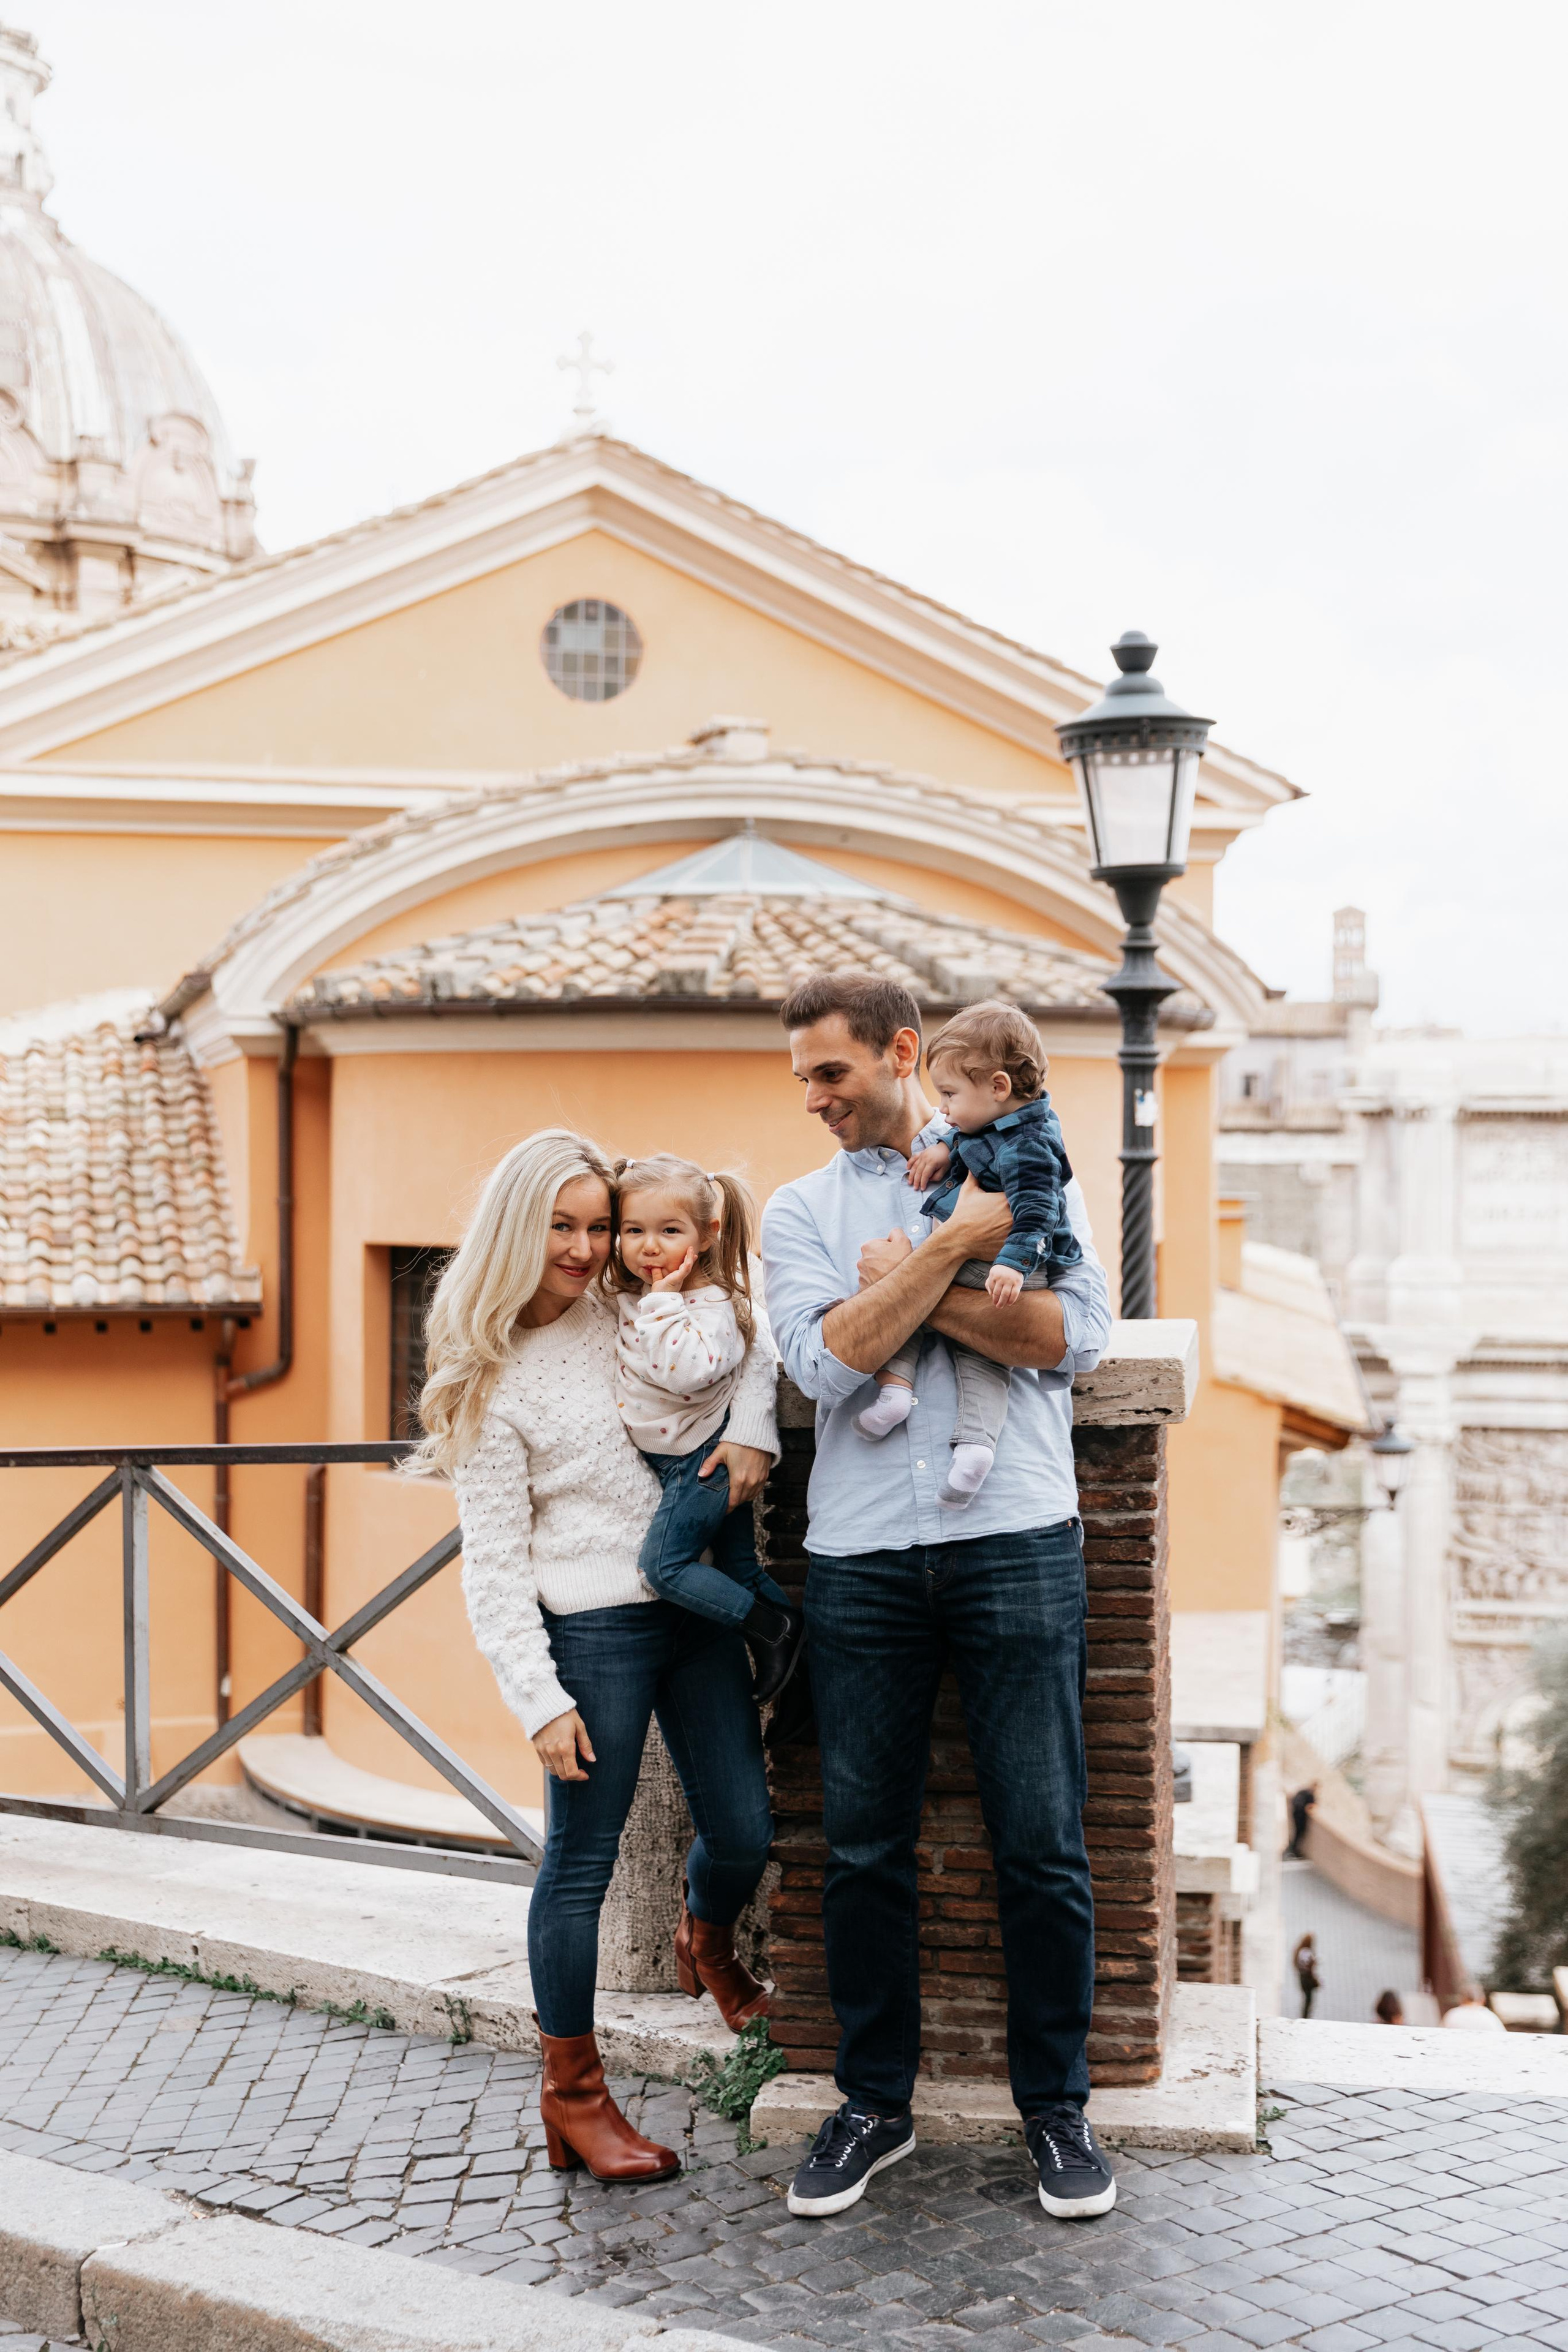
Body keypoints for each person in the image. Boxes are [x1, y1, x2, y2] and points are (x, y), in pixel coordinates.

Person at [761, 972, 1116, 2224]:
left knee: (1042, 1842)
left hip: (1015, 1532)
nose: (812, 1097)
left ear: (901, 1052)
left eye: (830, 1072)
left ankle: (1057, 2109)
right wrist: (962, 1247)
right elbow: (826, 1362)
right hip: (860, 1552)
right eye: (802, 1076)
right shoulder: (796, 1211)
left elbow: (1071, 1340)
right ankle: (873, 2103)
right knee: (862, 1847)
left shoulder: (1035, 1166)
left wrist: (918, 1274)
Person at [413, 1128, 780, 2185]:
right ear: (515, 1230)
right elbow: (494, 1564)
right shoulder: (486, 1377)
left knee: (745, 1831)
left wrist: (752, 1434)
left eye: (597, 1226)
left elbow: (748, 1338)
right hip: (594, 1636)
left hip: (692, 1612)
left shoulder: (631, 1302)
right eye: (560, 1227)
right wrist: (537, 1696)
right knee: (580, 1867)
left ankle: (705, 1941)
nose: (584, 1249)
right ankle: (574, 2097)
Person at [853, 998, 1084, 1510]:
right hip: (989, 1261)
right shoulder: (999, 1124)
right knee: (974, 1351)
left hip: (1006, 1264)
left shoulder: (1030, 1147)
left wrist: (1012, 1264)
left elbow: (1037, 1212)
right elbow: (975, 1138)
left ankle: (899, 1394)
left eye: (951, 1094)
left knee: (908, 1296)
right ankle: (970, 1444)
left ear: (998, 1087)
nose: (943, 1108)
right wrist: (946, 1148)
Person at [609, 1152, 803, 1700]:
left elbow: (688, 1370)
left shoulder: (713, 1306)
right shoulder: (637, 1295)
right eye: (633, 1230)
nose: (650, 1246)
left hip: (700, 1462)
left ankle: (774, 1630)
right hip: (678, 1458)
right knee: (740, 1569)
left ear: (709, 1233)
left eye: (669, 1231)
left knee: (665, 1568)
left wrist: (663, 1303)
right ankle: (801, 1662)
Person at [1284, 1784, 1317, 1858]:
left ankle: (1292, 1850)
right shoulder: (1310, 1795)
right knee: (1299, 1834)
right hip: (1301, 1817)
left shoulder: (1303, 1792)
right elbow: (1309, 1808)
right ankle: (1293, 1851)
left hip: (1295, 1814)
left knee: (1297, 1834)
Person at [1294, 1931, 1321, 2018]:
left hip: (1302, 1978)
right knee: (1309, 2000)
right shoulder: (1308, 1953)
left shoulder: (1300, 1951)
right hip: (1308, 1979)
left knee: (1306, 1998)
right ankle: (1305, 2017)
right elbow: (1309, 1967)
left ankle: (1304, 2016)